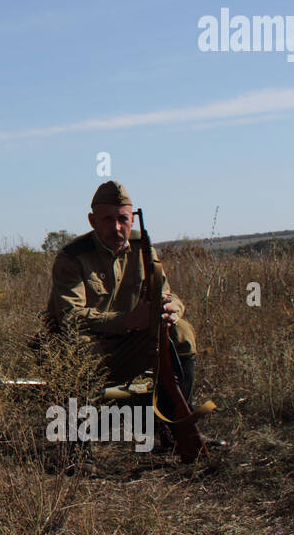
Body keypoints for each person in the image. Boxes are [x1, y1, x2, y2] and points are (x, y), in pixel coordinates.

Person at [45, 182, 215, 455]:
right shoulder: (72, 257)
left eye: (123, 219)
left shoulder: (143, 249)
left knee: (181, 332)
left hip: (134, 345)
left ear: (132, 219)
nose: (116, 228)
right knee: (78, 348)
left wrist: (171, 310)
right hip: (95, 349)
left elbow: (168, 294)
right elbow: (69, 316)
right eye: (107, 219)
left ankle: (178, 427)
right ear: (92, 221)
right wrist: (127, 321)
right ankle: (76, 448)